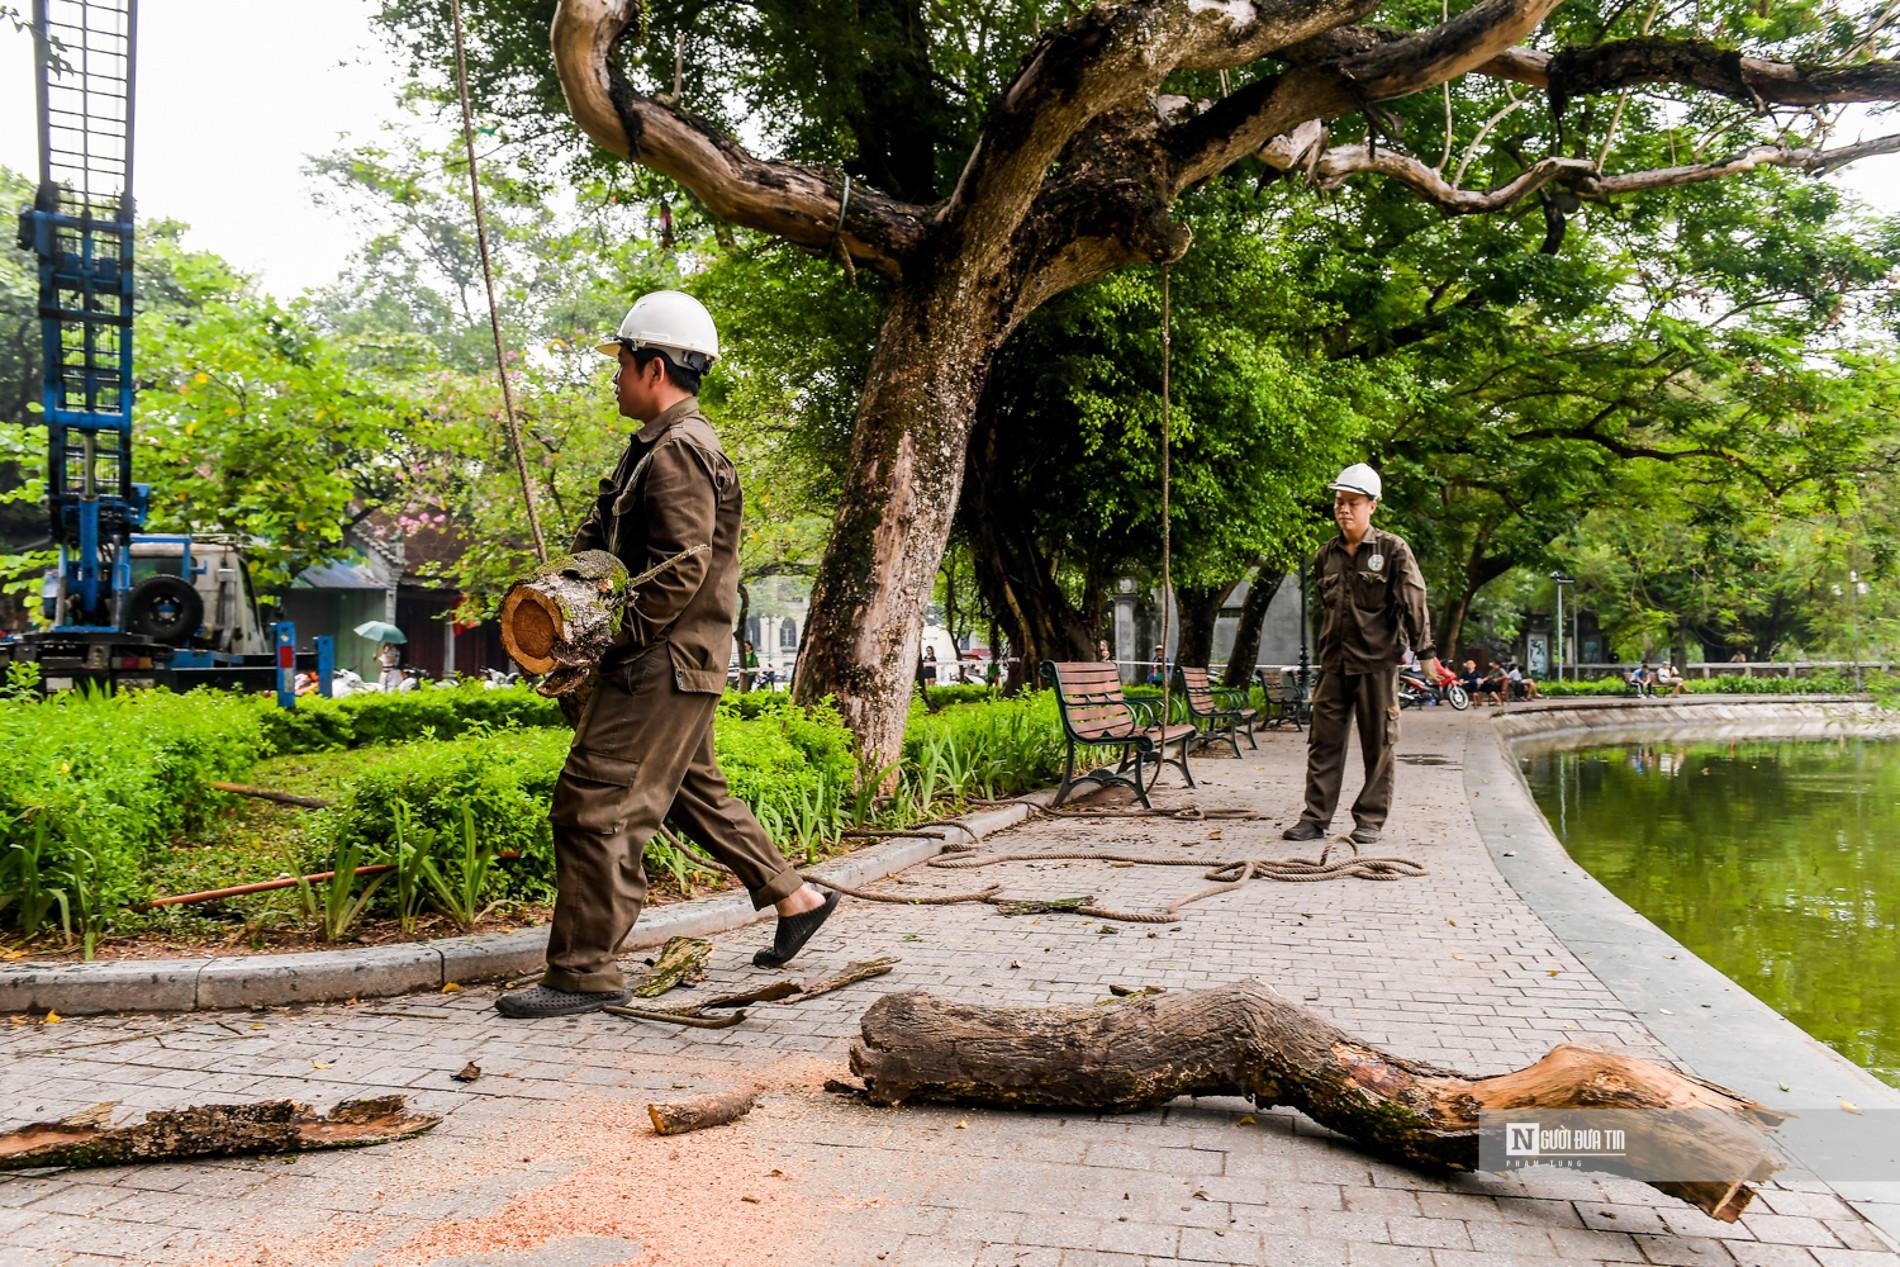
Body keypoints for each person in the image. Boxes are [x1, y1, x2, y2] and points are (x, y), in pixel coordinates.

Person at [497, 290, 836, 1019]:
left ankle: (584, 971)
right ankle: (797, 896)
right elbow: (620, 558)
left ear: (653, 366)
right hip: (679, 662)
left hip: (658, 664)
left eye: (621, 363)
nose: (614, 377)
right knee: (691, 791)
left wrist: (606, 645)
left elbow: (680, 566)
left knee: (594, 803)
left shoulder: (679, 448)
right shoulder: (659, 443)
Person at [1284, 463, 1439, 847]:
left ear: (1373, 505)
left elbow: (1413, 601)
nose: (1344, 510)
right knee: (1323, 743)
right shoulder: (1327, 555)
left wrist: (1426, 653)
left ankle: (1369, 819)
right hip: (1334, 664)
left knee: (1379, 744)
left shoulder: (1392, 549)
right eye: (1339, 502)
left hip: (1377, 664)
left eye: (1353, 502)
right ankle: (1315, 818)